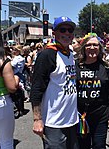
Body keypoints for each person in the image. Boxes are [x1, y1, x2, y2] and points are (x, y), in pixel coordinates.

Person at [30, 16, 79, 149]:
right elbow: (36, 89)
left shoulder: (71, 54)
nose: (67, 33)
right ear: (54, 33)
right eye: (62, 30)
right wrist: (37, 119)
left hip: (72, 121)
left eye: (70, 30)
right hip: (53, 123)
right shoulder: (47, 55)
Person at [75, 33, 109, 149]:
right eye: (89, 45)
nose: (92, 48)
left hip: (100, 115)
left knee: (99, 145)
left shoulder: (105, 67)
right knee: (83, 146)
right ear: (84, 48)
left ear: (100, 48)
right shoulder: (76, 66)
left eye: (95, 45)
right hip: (80, 116)